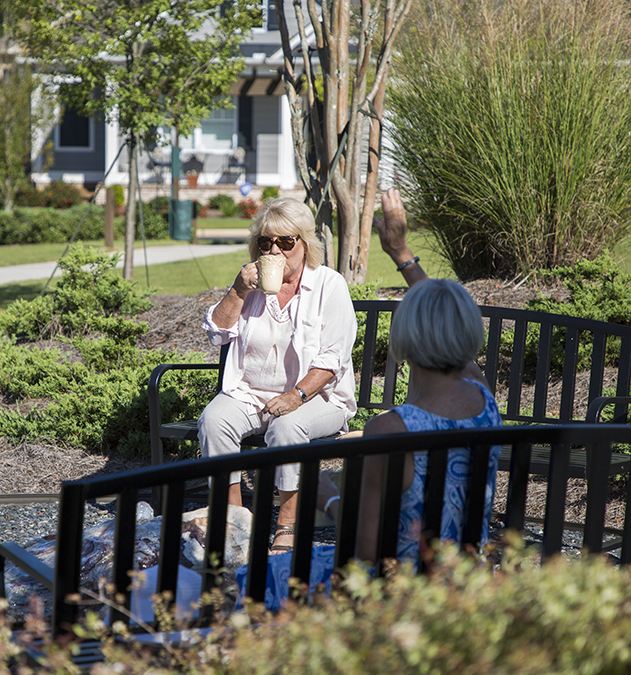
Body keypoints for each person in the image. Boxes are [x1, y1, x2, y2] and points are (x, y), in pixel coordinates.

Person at [316, 188, 502, 564]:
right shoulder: (483, 398)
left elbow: (368, 549)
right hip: (467, 585)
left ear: (403, 340)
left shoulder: (390, 430)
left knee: (261, 575)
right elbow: (444, 320)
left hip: (402, 595)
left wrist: (328, 500)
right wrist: (400, 254)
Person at [198, 198, 357, 554]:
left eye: (286, 242)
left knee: (287, 427)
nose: (275, 250)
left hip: (318, 398)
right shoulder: (249, 288)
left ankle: (288, 524)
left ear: (305, 245)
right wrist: (238, 291)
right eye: (265, 242)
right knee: (213, 421)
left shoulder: (329, 286)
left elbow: (332, 360)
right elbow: (216, 333)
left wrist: (295, 397)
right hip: (250, 394)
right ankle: (234, 522)